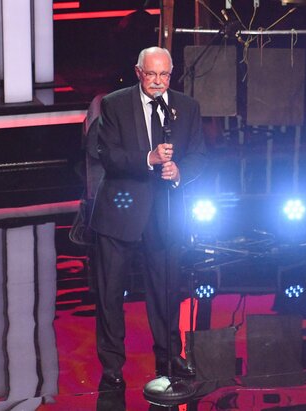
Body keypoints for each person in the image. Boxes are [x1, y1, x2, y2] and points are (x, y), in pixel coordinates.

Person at [89, 46, 205, 389]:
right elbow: (107, 155)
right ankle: (112, 366)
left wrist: (179, 172)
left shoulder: (187, 107)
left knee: (167, 290)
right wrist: (149, 158)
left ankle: (170, 355)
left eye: (164, 75)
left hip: (165, 213)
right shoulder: (114, 104)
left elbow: (199, 156)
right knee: (110, 294)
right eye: (151, 74)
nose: (158, 81)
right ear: (139, 72)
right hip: (121, 213)